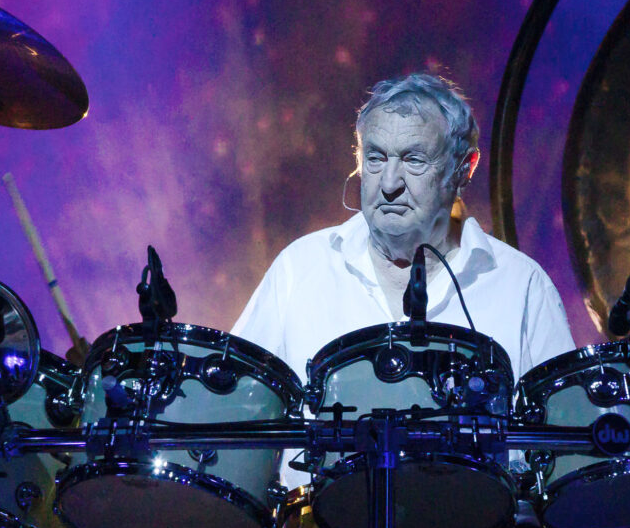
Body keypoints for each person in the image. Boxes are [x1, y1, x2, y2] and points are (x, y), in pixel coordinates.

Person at [232, 71, 575, 382]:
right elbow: (229, 409)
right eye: (376, 158)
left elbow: (569, 435)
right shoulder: (299, 269)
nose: (390, 183)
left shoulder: (521, 286)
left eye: (413, 160)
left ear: (464, 169)